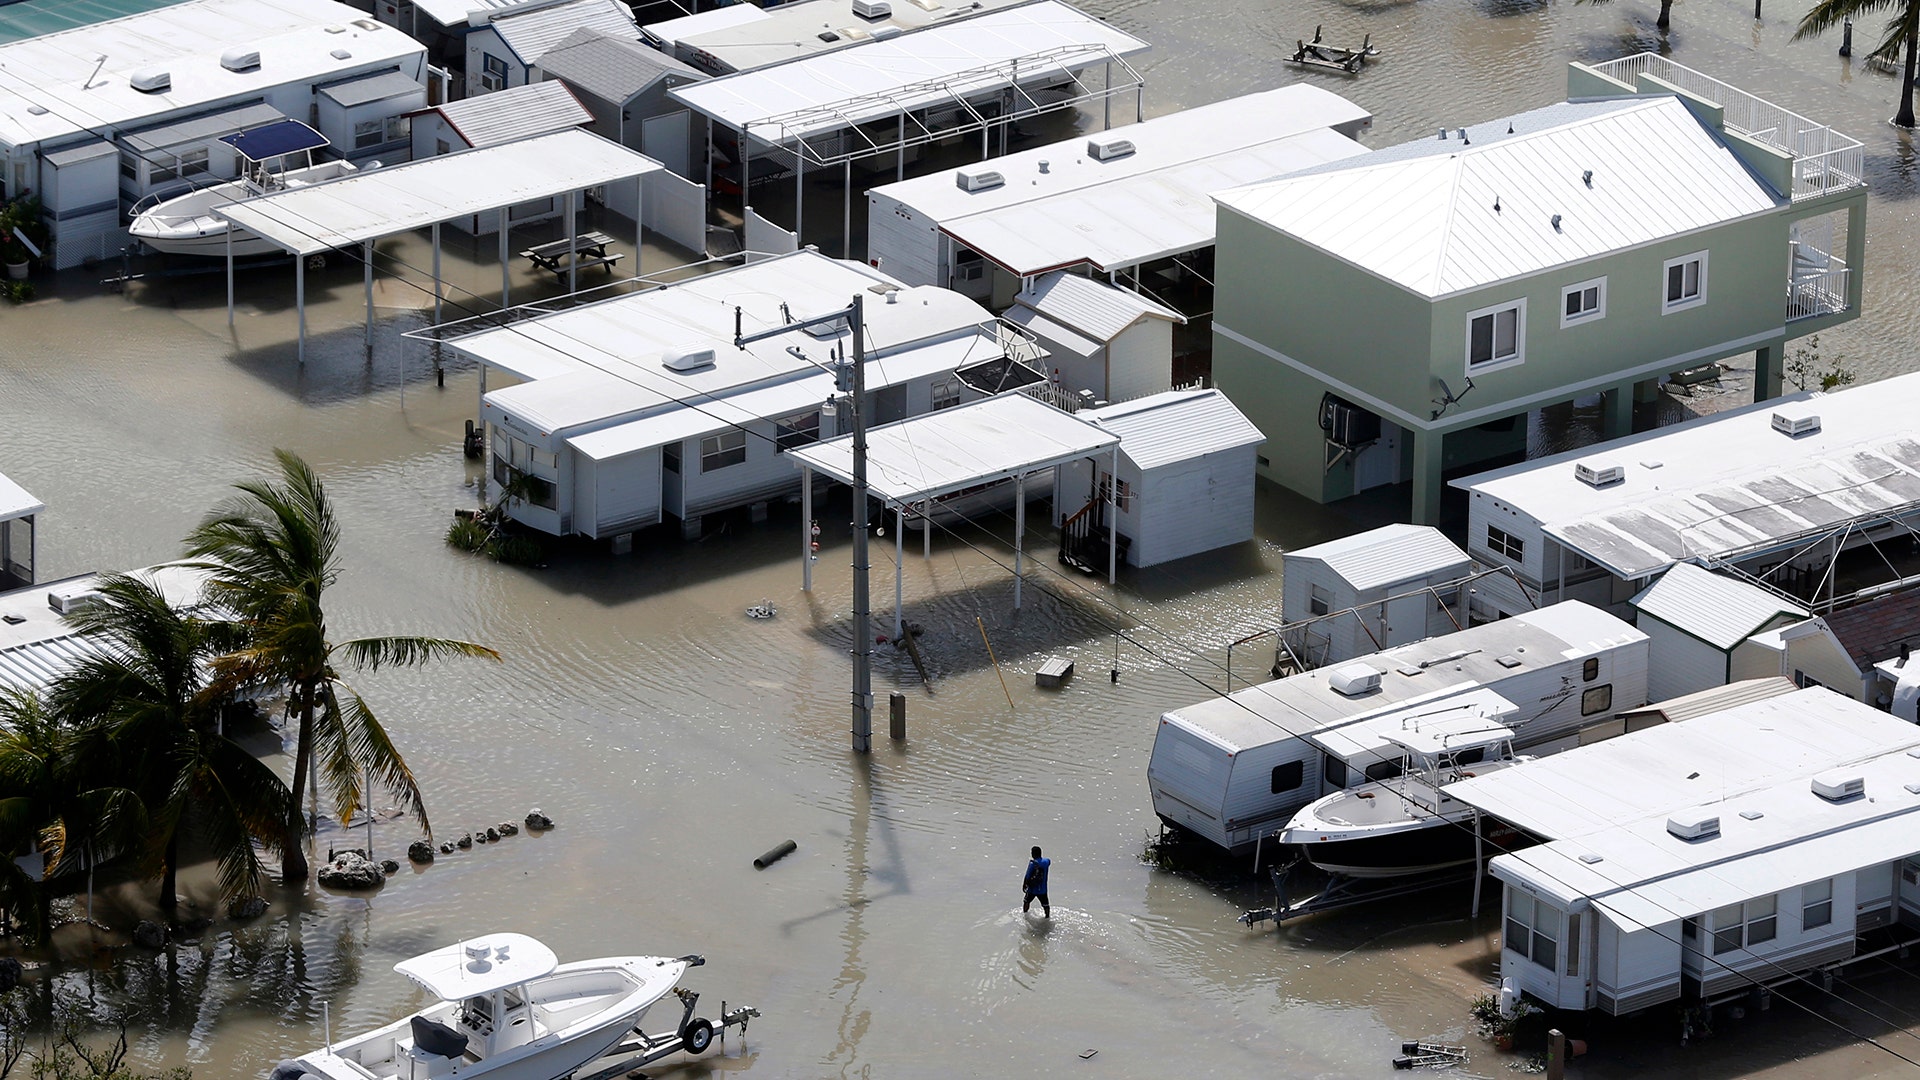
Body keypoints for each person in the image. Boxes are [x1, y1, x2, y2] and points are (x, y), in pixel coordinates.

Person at [1022, 846, 1051, 918]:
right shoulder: (1046, 861)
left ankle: (1025, 915)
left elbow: (1027, 876)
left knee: (1026, 901)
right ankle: (1047, 917)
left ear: (1033, 854)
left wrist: (1024, 885)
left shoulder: (1033, 864)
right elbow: (1049, 861)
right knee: (1045, 905)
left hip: (1032, 889)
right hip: (1043, 889)